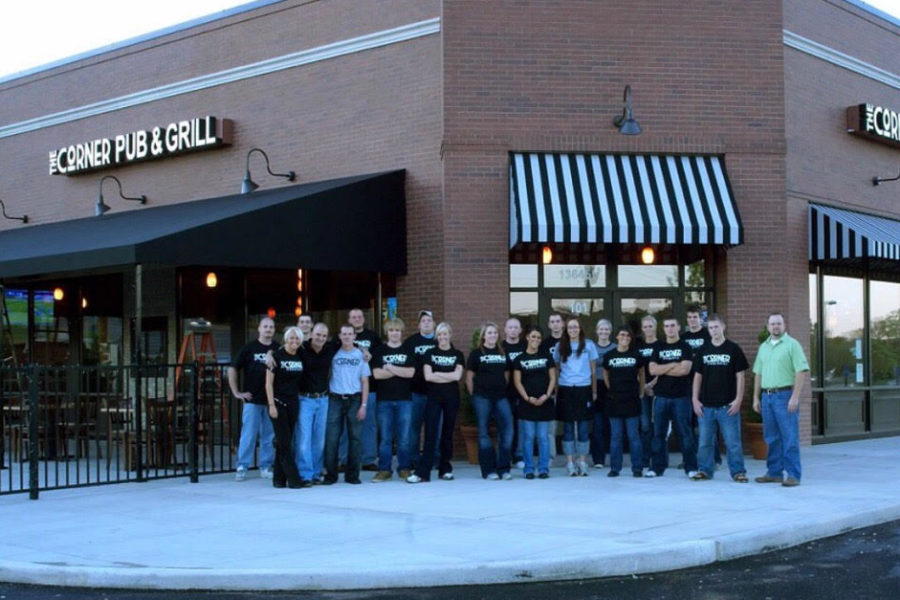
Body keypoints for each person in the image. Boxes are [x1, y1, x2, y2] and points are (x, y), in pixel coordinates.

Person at [752, 312, 809, 487]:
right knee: (771, 437)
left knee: (789, 437)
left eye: (779, 323)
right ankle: (774, 473)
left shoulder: (792, 345)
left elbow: (801, 371)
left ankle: (793, 475)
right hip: (767, 397)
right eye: (772, 324)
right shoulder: (764, 347)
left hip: (784, 396)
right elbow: (758, 373)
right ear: (768, 326)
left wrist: (795, 397)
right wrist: (755, 397)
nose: (776, 326)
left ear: (784, 325)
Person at [690, 314, 749, 482]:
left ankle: (738, 472)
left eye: (716, 327)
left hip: (727, 406)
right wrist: (695, 399)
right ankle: (705, 471)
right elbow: (697, 377)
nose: (713, 330)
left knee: (733, 443)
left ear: (723, 327)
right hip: (706, 407)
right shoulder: (703, 350)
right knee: (704, 442)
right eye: (710, 328)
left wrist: (738, 400)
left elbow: (741, 376)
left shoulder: (733, 349)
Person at [407, 322, 464, 483]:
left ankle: (445, 468)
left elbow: (457, 377)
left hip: (452, 398)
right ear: (436, 336)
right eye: (439, 334)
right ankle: (422, 473)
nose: (442, 337)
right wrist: (446, 375)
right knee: (431, 434)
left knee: (447, 434)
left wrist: (438, 373)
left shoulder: (457, 354)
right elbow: (428, 377)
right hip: (433, 398)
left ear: (450, 335)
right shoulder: (430, 353)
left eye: (445, 334)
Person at [647, 318, 698, 478]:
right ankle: (657, 468)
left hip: (681, 397)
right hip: (661, 397)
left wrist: (663, 368)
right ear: (663, 328)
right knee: (658, 434)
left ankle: (690, 467)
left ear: (678, 327)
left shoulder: (685, 346)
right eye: (667, 326)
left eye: (672, 326)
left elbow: (684, 370)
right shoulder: (658, 347)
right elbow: (653, 370)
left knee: (685, 433)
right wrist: (672, 364)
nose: (670, 329)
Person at [228, 317, 276, 482]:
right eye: (265, 326)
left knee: (268, 437)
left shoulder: (278, 348)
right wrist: (236, 392)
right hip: (252, 400)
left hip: (271, 400)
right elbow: (232, 368)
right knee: (248, 435)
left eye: (271, 327)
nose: (268, 329)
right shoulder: (249, 348)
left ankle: (265, 466)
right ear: (259, 329)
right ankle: (242, 466)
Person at [323, 324, 371, 485]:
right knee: (331, 439)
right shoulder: (332, 353)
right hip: (335, 399)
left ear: (354, 336)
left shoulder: (361, 355)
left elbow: (365, 381)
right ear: (339, 335)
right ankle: (331, 475)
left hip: (355, 400)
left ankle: (352, 476)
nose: (347, 336)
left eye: (350, 334)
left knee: (355, 439)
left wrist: (364, 405)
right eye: (344, 333)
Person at [370, 318, 415, 482]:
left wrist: (390, 368)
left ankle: (404, 468)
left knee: (404, 438)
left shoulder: (408, 350)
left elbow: (411, 373)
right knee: (385, 439)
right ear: (387, 332)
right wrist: (399, 371)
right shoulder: (379, 351)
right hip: (384, 400)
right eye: (391, 330)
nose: (394, 333)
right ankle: (384, 469)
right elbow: (377, 374)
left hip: (405, 400)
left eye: (397, 330)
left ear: (401, 332)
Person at [466, 322, 513, 480]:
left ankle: (504, 469)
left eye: (495, 332)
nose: (492, 335)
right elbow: (469, 378)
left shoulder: (502, 352)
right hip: (482, 398)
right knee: (484, 433)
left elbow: (507, 375)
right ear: (484, 336)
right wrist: (475, 396)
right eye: (489, 333)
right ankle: (488, 470)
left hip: (501, 397)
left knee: (507, 430)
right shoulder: (476, 353)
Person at [553, 318, 598, 477]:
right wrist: (557, 392)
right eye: (570, 327)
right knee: (568, 429)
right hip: (566, 389)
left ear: (580, 329)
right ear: (566, 329)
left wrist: (594, 391)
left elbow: (593, 371)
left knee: (584, 428)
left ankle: (583, 462)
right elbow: (556, 371)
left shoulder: (589, 345)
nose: (573, 329)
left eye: (575, 327)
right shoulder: (560, 346)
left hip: (583, 389)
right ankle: (570, 462)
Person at [512, 326, 556, 479]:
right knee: (529, 437)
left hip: (545, 402)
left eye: (538, 337)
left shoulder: (546, 357)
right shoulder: (520, 359)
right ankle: (529, 469)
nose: (536, 340)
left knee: (543, 437)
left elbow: (553, 378)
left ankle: (543, 469)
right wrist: (527, 398)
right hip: (527, 404)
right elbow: (517, 381)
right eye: (533, 337)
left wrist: (547, 395)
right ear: (527, 338)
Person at [264, 326, 306, 489]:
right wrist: (271, 405)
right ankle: (294, 480)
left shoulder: (300, 355)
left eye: (297, 338)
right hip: (278, 403)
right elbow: (268, 383)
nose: (294, 341)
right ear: (286, 339)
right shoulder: (276, 356)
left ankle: (278, 480)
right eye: (291, 338)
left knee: (284, 442)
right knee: (285, 443)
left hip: (293, 403)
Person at [601, 326, 645, 477]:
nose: (625, 337)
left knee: (634, 436)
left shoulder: (636, 355)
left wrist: (641, 391)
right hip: (615, 401)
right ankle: (615, 468)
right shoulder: (609, 355)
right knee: (616, 437)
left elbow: (641, 373)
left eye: (628, 335)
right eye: (622, 335)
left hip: (632, 400)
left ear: (630, 338)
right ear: (617, 337)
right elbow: (605, 372)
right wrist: (610, 388)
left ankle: (637, 468)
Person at [296, 322, 336, 485]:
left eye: (324, 336)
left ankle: (316, 473)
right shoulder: (302, 348)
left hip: (323, 399)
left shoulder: (329, 348)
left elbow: (349, 341)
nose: (320, 338)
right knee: (304, 438)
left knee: (319, 440)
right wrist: (270, 354)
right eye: (318, 334)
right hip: (305, 399)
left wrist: (364, 350)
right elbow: (282, 349)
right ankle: (305, 474)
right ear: (311, 333)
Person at [403, 310, 438, 470]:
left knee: (434, 428)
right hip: (415, 392)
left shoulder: (441, 341)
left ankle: (435, 459)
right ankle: (414, 460)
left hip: (436, 394)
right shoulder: (410, 342)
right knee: (414, 429)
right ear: (419, 324)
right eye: (423, 320)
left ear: (434, 324)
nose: (426, 323)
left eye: (429, 320)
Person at [348, 308, 382, 472]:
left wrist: (367, 352)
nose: (357, 319)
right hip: (347, 389)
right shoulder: (343, 336)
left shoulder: (373, 337)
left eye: (359, 316)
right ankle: (343, 460)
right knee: (346, 425)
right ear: (349, 320)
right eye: (353, 317)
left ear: (364, 319)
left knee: (369, 424)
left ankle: (369, 459)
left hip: (370, 388)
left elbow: (380, 357)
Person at [501, 317, 527, 469]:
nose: (513, 330)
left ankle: (519, 455)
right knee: (506, 425)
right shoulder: (500, 347)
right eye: (510, 327)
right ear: (505, 330)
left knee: (521, 425)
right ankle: (506, 455)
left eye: (516, 327)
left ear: (520, 330)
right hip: (505, 393)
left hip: (523, 392)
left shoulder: (525, 346)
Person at [539, 312, 566, 459]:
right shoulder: (544, 344)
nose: (555, 324)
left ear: (562, 324)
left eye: (558, 321)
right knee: (551, 425)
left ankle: (572, 456)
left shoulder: (569, 341)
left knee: (570, 422)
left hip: (568, 385)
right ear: (549, 325)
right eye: (552, 321)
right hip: (552, 387)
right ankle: (551, 456)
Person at [591, 318, 615, 469]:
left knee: (613, 426)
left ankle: (614, 458)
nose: (604, 332)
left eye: (606, 329)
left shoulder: (616, 347)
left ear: (610, 331)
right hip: (596, 388)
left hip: (612, 388)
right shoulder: (591, 347)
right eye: (601, 329)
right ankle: (598, 459)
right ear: (597, 331)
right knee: (598, 426)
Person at [636, 316, 660, 470]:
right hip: (642, 390)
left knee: (658, 425)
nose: (648, 329)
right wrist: (644, 385)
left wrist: (652, 384)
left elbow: (664, 367)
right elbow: (636, 367)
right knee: (645, 425)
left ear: (655, 327)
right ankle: (645, 459)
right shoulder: (638, 346)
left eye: (650, 326)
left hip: (658, 389)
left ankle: (657, 459)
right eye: (645, 326)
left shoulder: (661, 345)